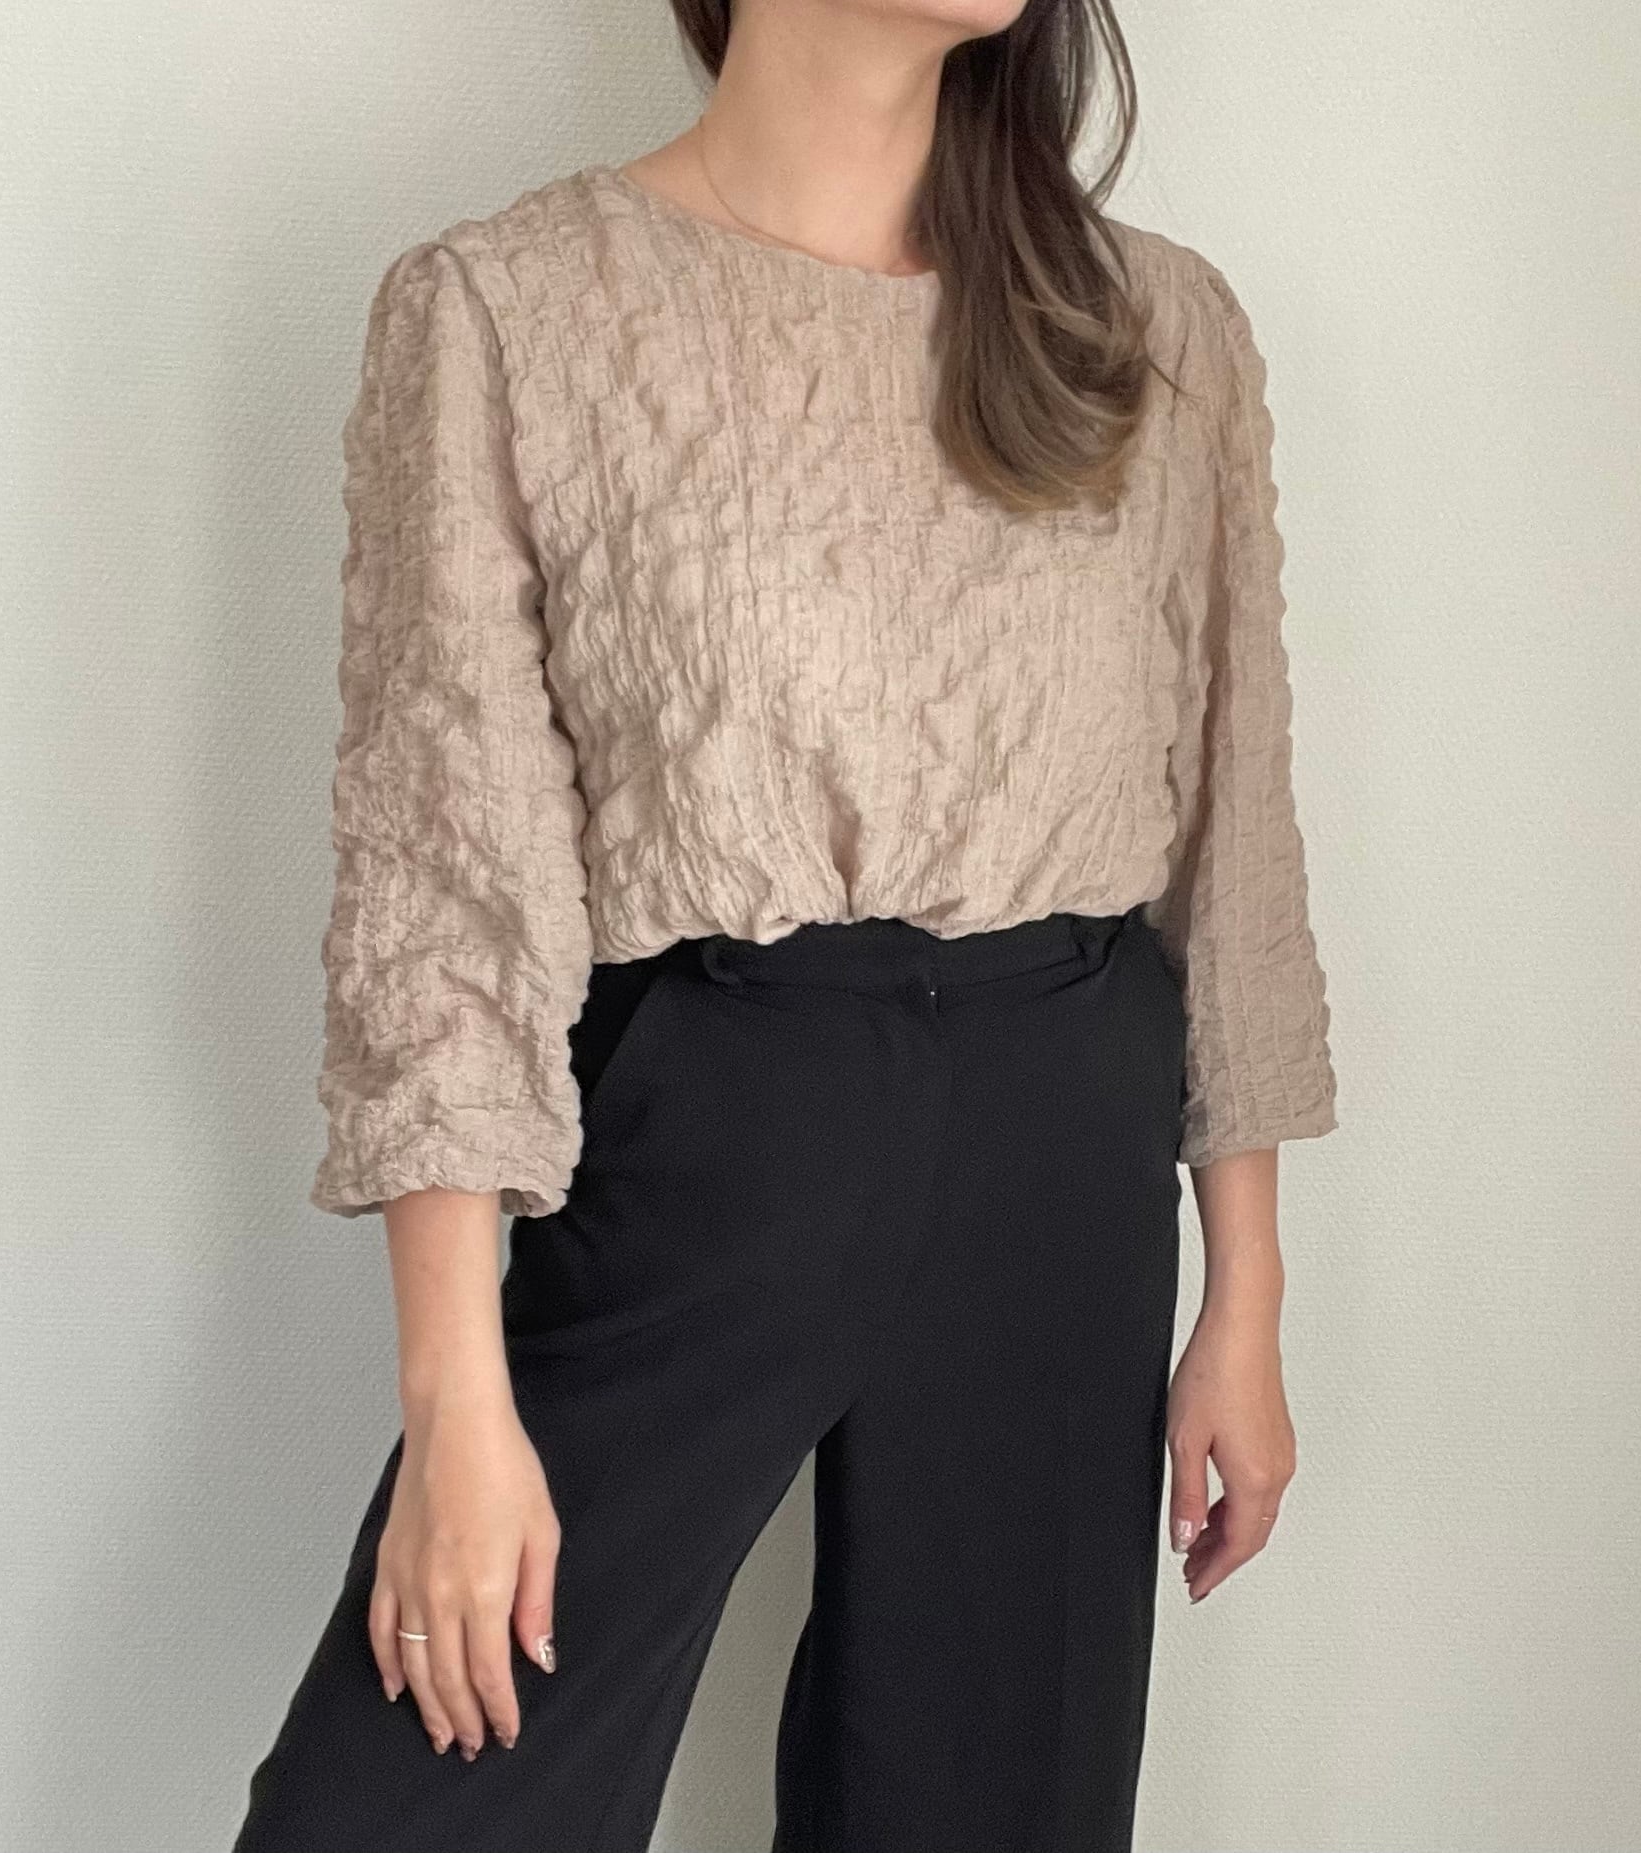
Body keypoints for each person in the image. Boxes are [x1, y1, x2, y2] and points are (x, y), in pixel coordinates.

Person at [231, 3, 1338, 1847]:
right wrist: (456, 1402)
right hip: (713, 1104)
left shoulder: (1151, 329)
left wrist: (1249, 1291)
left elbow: (1236, 827)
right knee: (409, 1802)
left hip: (1065, 1134)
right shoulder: (511, 312)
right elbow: (446, 884)